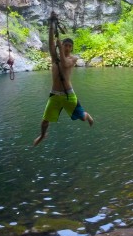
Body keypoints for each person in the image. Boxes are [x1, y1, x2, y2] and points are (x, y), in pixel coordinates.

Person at [34, 11, 94, 146]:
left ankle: (87, 115)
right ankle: (43, 135)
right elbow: (50, 44)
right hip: (54, 95)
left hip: (68, 95)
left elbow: (65, 64)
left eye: (69, 46)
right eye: (65, 45)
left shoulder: (73, 58)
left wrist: (60, 48)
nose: (66, 48)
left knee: (82, 118)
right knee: (45, 121)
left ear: (71, 48)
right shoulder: (55, 58)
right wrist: (51, 25)